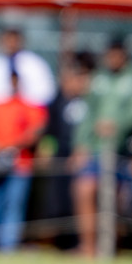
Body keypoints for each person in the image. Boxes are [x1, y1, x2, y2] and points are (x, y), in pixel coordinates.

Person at [71, 36, 132, 257]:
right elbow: (88, 114)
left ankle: (110, 247)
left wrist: (118, 126)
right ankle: (87, 247)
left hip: (122, 150)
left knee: (115, 197)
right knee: (84, 189)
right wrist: (80, 144)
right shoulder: (99, 78)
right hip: (96, 148)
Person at [0, 69, 48, 252]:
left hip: (19, 163)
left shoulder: (30, 107)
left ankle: (7, 246)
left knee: (12, 206)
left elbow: (37, 130)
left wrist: (12, 146)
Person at [36, 52, 93, 248]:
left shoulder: (90, 102)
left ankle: (76, 243)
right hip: (60, 158)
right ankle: (56, 242)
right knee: (56, 201)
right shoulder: (57, 101)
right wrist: (46, 149)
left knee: (76, 201)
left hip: (83, 159)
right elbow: (48, 130)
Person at [0, 25, 56, 110]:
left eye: (14, 40)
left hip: (29, 112)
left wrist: (23, 99)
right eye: (8, 40)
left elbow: (48, 92)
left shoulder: (36, 64)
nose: (11, 44)